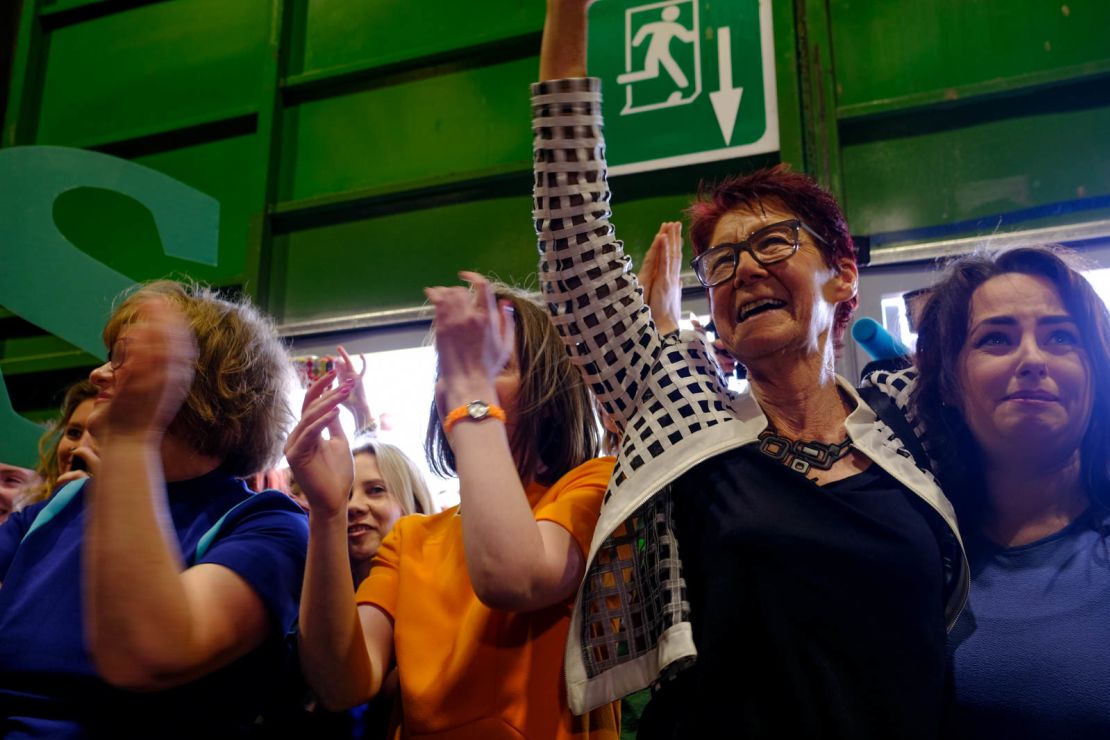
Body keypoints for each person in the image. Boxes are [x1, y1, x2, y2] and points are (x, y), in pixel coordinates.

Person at [531, 3, 968, 737]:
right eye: (722, 263)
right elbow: (573, 237)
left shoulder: (909, 424)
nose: (742, 271)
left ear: (843, 275)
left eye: (772, 244)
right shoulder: (686, 425)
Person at [287, 274, 619, 738]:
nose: (457, 385)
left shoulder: (593, 487)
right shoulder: (412, 538)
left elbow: (514, 576)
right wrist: (325, 514)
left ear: (548, 395)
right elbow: (342, 685)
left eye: (492, 365)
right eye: (451, 369)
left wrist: (471, 399)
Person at [0, 280, 308, 737]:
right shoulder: (61, 504)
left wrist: (131, 436)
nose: (98, 375)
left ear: (200, 387)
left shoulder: (268, 523)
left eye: (124, 361)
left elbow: (149, 656)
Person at [897, 245, 1110, 738]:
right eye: (995, 339)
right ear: (948, 382)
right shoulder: (915, 555)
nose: (1033, 359)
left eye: (1061, 337)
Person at [21, 379, 99, 506]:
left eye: (100, 436)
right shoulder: (30, 514)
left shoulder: (138, 518)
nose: (80, 447)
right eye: (74, 433)